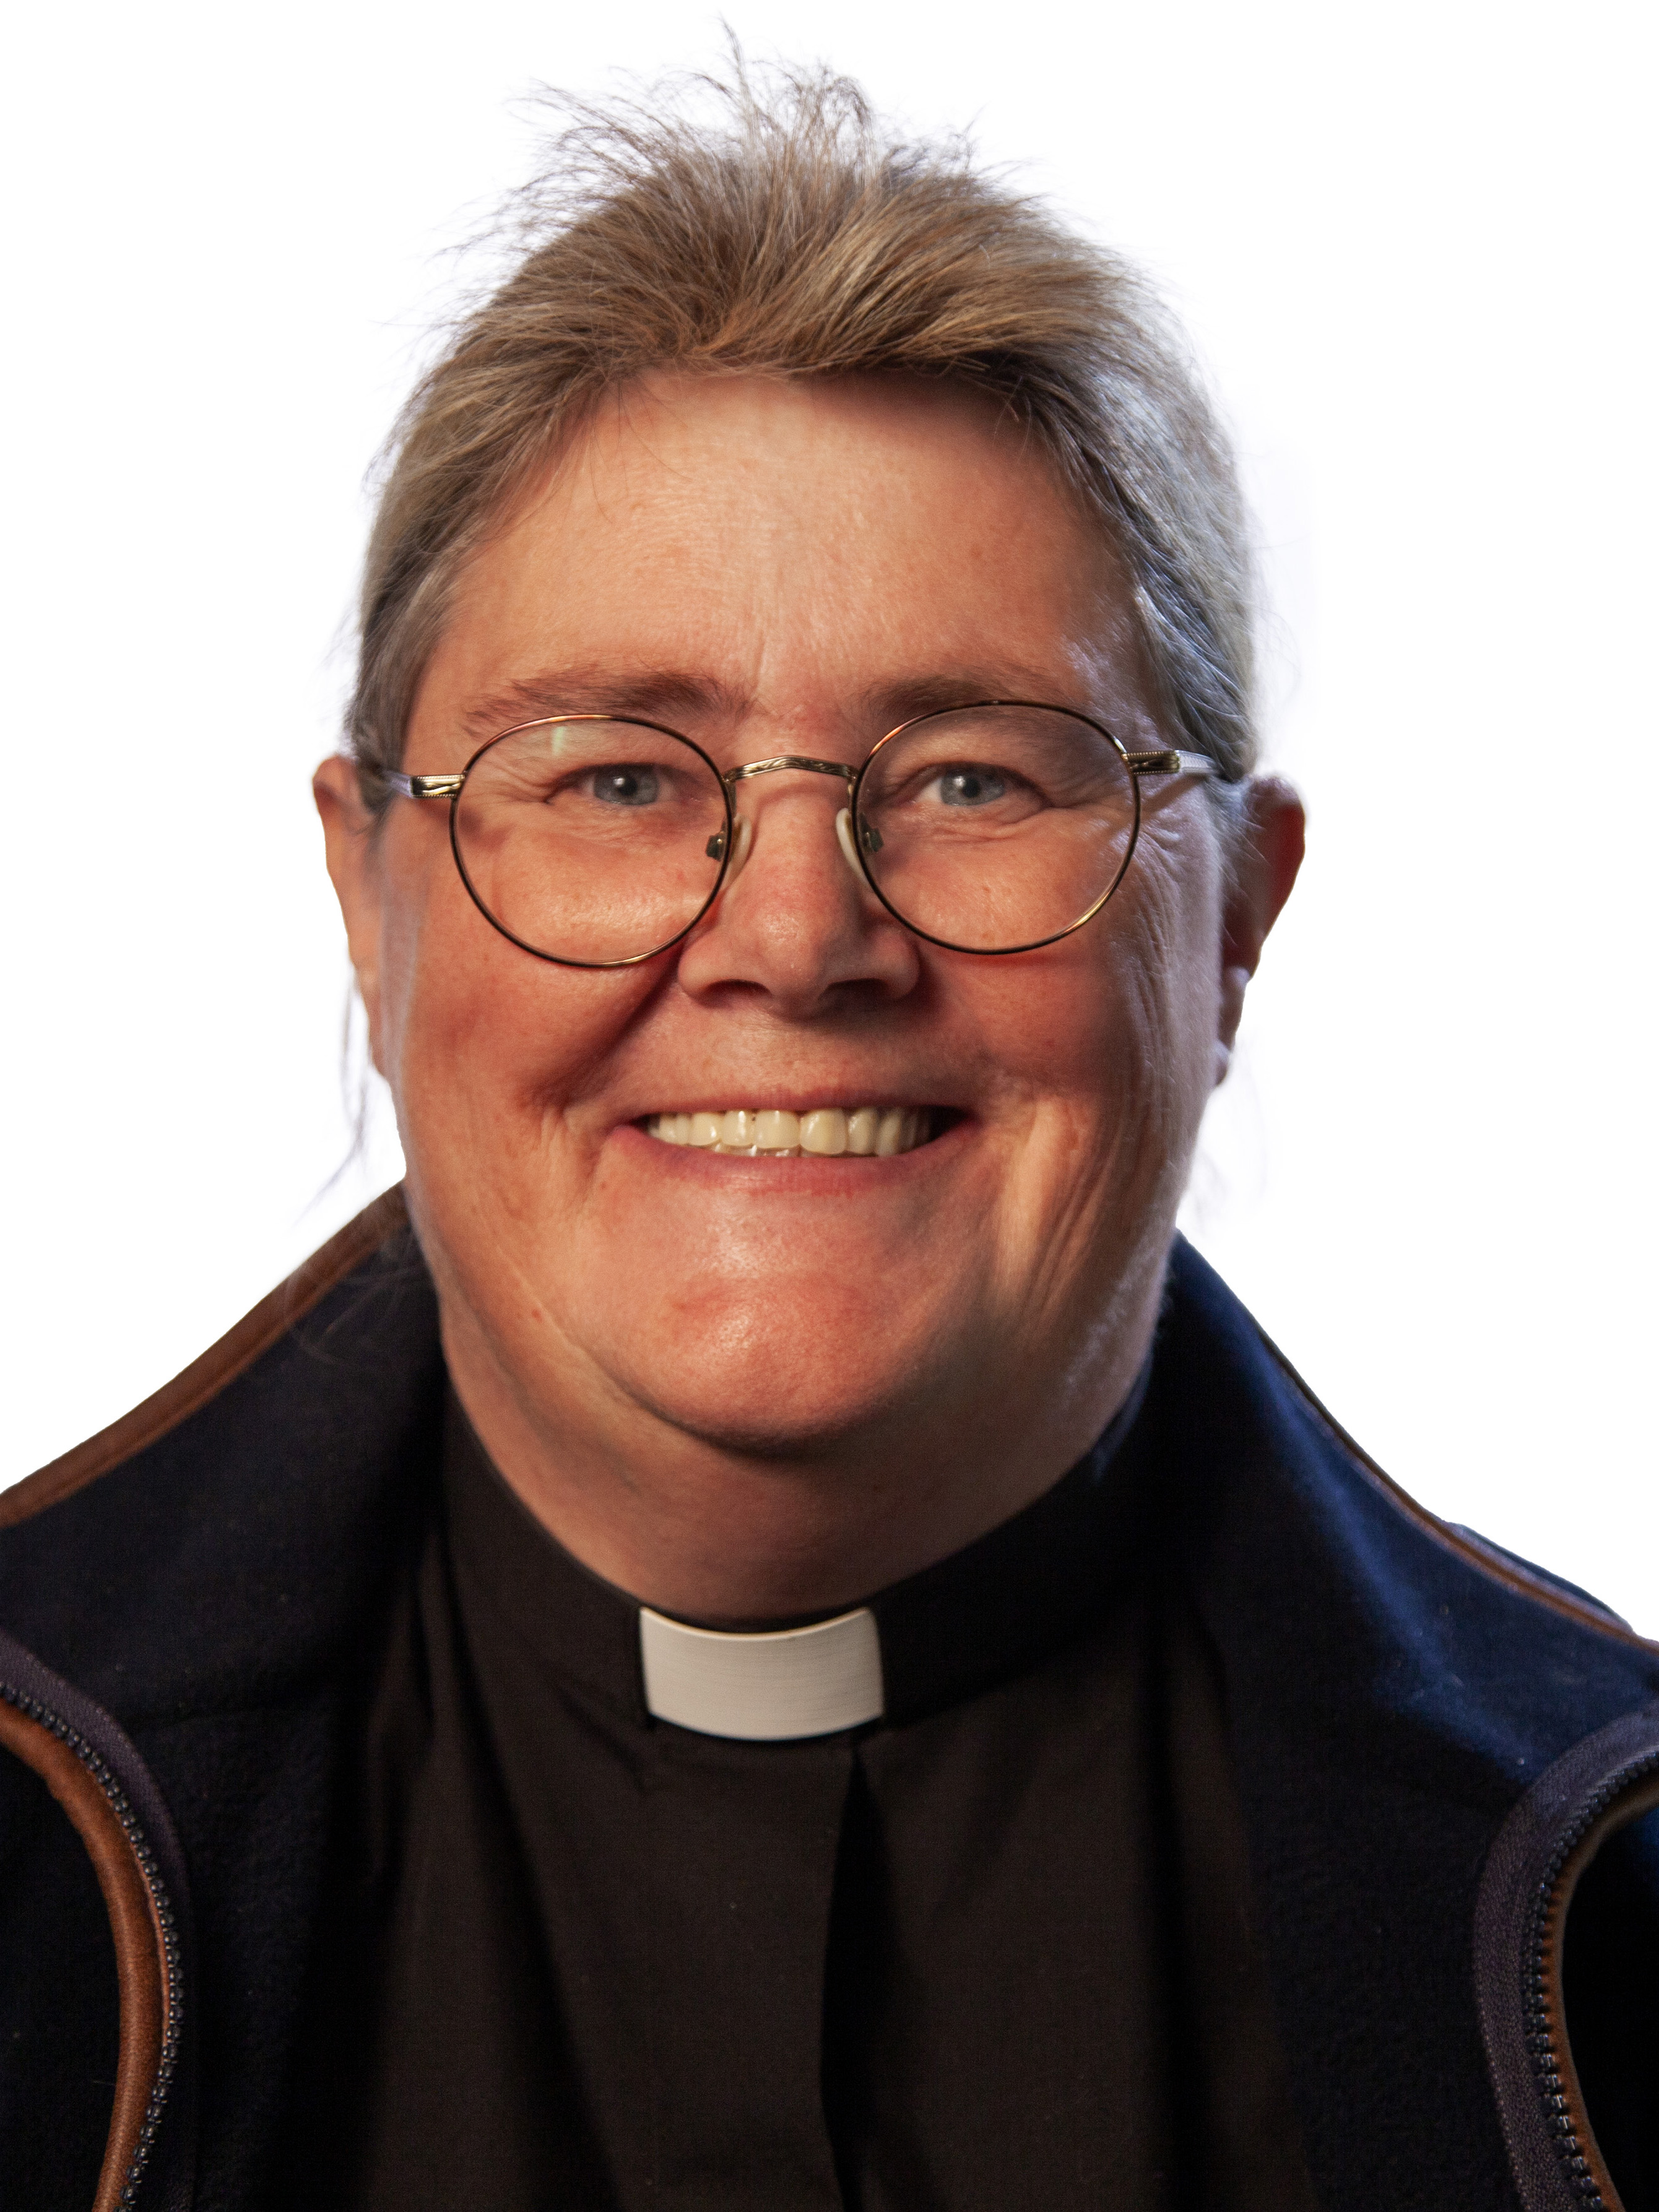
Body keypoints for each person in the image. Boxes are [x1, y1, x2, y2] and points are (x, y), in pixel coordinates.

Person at [2, 59, 1655, 2212]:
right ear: (368, 899)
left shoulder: (1621, 1890)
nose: (796, 942)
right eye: (616, 777)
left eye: (976, 775)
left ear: (1236, 920)